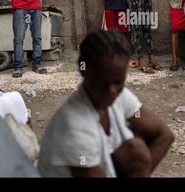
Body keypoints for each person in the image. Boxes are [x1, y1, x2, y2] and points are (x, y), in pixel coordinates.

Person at [38, 30, 174, 177]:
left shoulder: (117, 94)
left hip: (99, 165)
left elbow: (164, 135)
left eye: (118, 82)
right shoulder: (74, 125)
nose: (111, 91)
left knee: (137, 149)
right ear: (84, 71)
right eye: (101, 81)